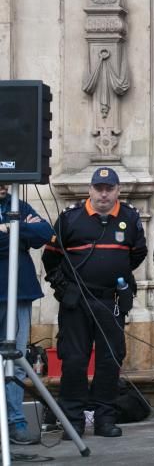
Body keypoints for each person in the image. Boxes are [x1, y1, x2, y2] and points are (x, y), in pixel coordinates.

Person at [42, 167, 146, 439]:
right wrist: (63, 290)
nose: (103, 194)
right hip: (77, 304)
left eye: (109, 188)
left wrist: (114, 273)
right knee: (75, 361)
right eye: (98, 188)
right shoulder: (70, 219)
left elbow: (137, 255)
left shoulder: (130, 218)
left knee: (109, 362)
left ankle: (105, 419)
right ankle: (73, 422)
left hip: (110, 300)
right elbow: (50, 259)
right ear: (89, 189)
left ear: (117, 191)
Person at [0, 184, 54, 445]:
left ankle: (15, 421)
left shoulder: (17, 205)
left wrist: (11, 228)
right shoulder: (21, 212)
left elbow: (45, 232)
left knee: (17, 361)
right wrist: (21, 231)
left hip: (18, 294)